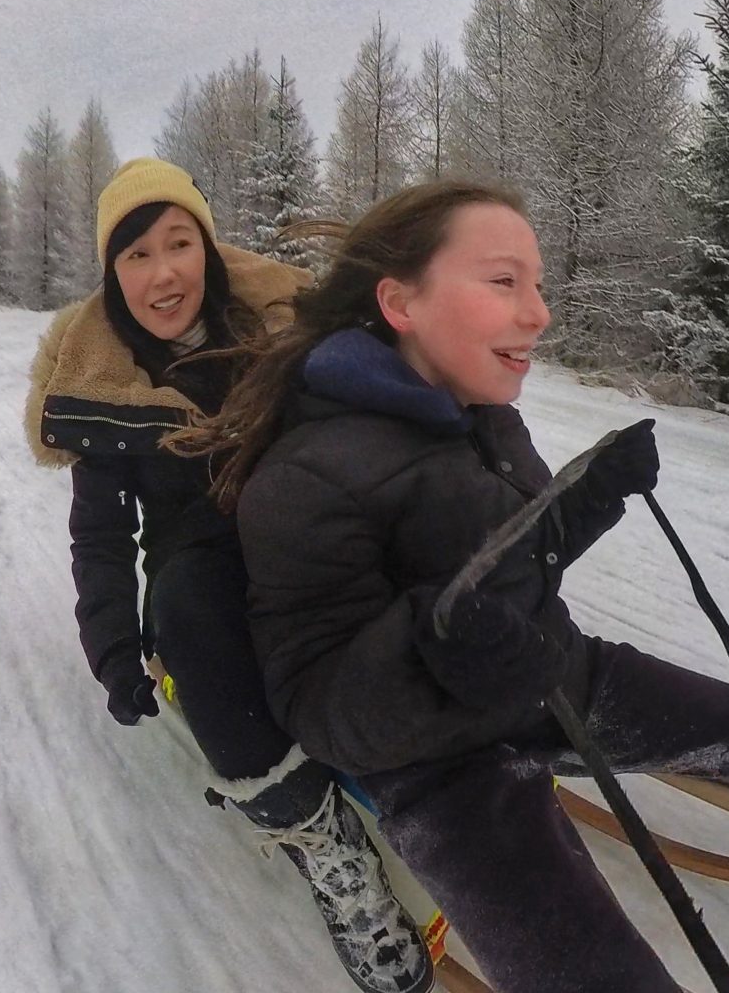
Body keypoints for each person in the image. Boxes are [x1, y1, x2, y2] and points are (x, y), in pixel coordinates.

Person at [168, 179, 729, 992]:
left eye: (536, 284)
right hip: (437, 765)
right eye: (504, 282)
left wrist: (589, 498)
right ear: (401, 302)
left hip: (555, 675)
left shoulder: (479, 412)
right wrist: (432, 643)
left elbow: (512, 554)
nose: (538, 312)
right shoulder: (305, 476)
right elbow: (319, 707)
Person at [24, 157, 434, 993]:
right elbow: (100, 537)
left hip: (302, 520)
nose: (163, 271)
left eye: (179, 243)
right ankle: (318, 837)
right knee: (187, 611)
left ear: (208, 249)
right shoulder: (106, 387)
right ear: (112, 276)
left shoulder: (276, 323)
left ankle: (466, 709)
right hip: (198, 557)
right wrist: (110, 640)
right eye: (136, 255)